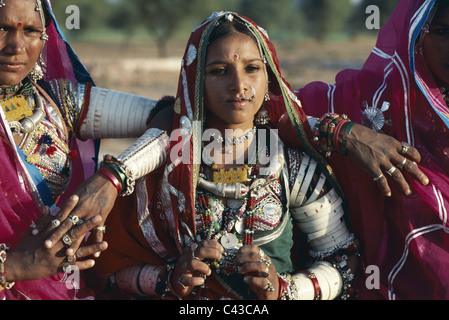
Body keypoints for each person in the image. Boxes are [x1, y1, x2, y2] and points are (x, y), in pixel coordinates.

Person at [92, 11, 365, 301]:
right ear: (197, 81)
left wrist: (284, 289)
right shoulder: (165, 169)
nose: (239, 85)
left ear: (268, 75)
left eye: (252, 68)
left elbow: (343, 259)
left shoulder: (293, 167)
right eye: (219, 71)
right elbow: (114, 268)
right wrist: (170, 280)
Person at [0, 0, 170, 300]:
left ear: (46, 36)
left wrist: (112, 178)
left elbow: (171, 116)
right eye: (1, 28)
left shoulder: (57, 103)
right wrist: (13, 266)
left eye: (30, 30)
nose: (15, 46)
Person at [298, 0, 449, 299]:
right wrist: (344, 132)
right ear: (417, 33)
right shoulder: (372, 104)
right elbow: (265, 110)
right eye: (444, 31)